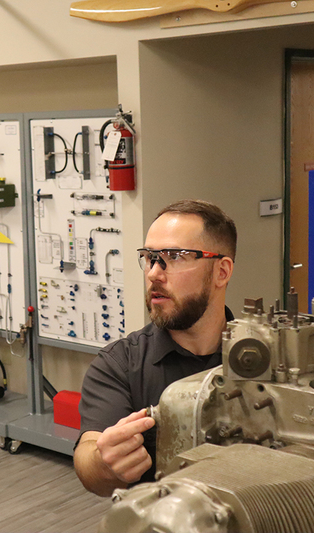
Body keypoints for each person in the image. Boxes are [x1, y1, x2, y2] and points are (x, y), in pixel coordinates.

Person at [73, 199, 236, 497]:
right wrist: (103, 462)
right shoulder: (120, 364)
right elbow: (87, 457)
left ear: (221, 272)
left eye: (174, 257)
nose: (153, 274)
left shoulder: (264, 356)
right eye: (150, 257)